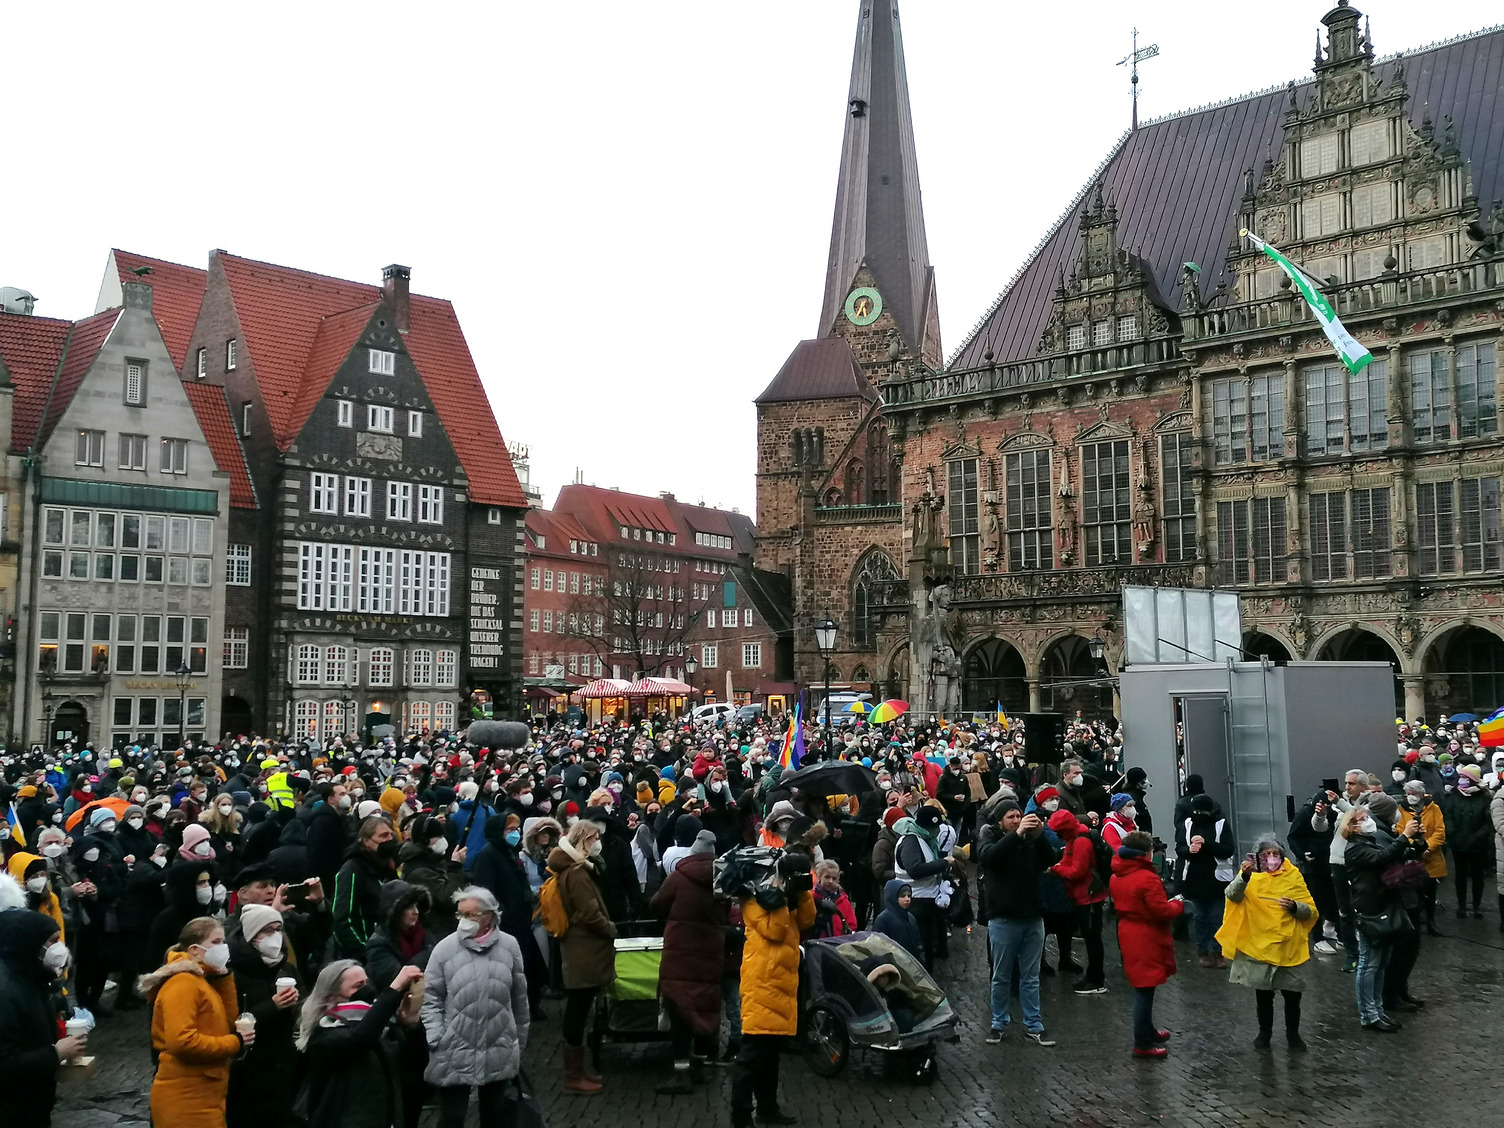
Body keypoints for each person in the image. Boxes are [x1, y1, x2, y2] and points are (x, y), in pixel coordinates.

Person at [421, 887, 531, 1128]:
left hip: (498, 1045)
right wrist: (436, 1036)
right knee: (452, 1117)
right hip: (454, 1047)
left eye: (472, 915)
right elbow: (431, 997)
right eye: (460, 915)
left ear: (490, 916)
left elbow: (519, 997)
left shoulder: (510, 946)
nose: (464, 921)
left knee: (495, 1114)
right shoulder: (444, 949)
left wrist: (519, 1040)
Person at [144, 917, 253, 1128]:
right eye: (216, 942)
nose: (223, 948)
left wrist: (223, 978)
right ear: (194, 950)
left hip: (203, 1092)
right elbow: (182, 1041)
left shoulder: (200, 980)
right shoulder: (184, 983)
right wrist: (235, 1042)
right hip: (187, 1098)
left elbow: (226, 1022)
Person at [731, 852, 814, 1128]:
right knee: (752, 1055)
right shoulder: (752, 900)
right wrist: (779, 903)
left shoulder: (782, 896)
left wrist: (801, 893)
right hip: (763, 983)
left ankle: (767, 1107)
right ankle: (741, 1114)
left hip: (781, 983)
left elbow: (806, 921)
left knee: (770, 1055)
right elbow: (776, 931)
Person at [297, 958, 426, 1128]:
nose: (367, 990)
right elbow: (360, 1038)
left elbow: (414, 1065)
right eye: (358, 986)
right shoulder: (324, 1034)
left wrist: (411, 1026)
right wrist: (394, 990)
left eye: (367, 982)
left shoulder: (382, 1025)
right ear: (332, 996)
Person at [1215, 837, 1316, 1050]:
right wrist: (1243, 877)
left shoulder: (1294, 876)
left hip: (1289, 945)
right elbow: (1232, 896)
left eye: (1275, 854)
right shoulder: (1250, 877)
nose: (1271, 859)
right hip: (1260, 944)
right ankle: (1264, 1034)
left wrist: (1295, 907)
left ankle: (1293, 1035)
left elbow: (1311, 910)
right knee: (1263, 995)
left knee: (1292, 995)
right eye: (1266, 855)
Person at [976, 798, 1057, 1047]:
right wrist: (1017, 835)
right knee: (1001, 975)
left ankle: (1034, 1024)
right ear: (1000, 820)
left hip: (1033, 916)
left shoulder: (1031, 841)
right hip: (1004, 917)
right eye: (1010, 817)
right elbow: (990, 857)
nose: (1016, 820)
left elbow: (1049, 860)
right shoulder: (990, 838)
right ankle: (999, 1022)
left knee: (1031, 977)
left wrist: (1040, 835)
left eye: (1018, 816)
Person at [650, 827, 725, 1094]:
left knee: (679, 1011)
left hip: (680, 953)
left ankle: (679, 1073)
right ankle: (699, 1067)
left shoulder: (679, 877)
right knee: (705, 1007)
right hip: (711, 952)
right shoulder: (722, 879)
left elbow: (656, 904)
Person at [1342, 800, 1427, 1032]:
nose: (1368, 821)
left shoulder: (1369, 842)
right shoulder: (1356, 848)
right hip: (1370, 912)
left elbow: (1402, 854)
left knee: (1378, 965)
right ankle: (1368, 1015)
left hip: (1383, 908)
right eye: (1362, 819)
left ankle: (1377, 1010)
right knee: (1368, 964)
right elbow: (1383, 858)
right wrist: (1404, 836)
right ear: (1353, 826)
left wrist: (1416, 839)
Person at [548, 819, 616, 1094]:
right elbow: (589, 912)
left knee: (580, 1006)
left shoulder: (575, 869)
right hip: (583, 948)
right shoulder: (576, 872)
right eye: (593, 837)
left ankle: (577, 1071)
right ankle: (573, 1075)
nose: (597, 842)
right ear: (582, 840)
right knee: (578, 1008)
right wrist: (609, 928)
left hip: (580, 947)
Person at [0, 910, 81, 1128]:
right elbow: (5, 1063)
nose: (59, 947)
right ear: (30, 944)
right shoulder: (6, 992)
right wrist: (55, 1053)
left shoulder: (32, 978)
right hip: (12, 1111)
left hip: (33, 1104)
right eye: (52, 941)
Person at [226, 903, 303, 1128]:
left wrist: (298, 1003)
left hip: (284, 1065)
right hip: (250, 1071)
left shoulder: (286, 968)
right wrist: (271, 1006)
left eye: (279, 929)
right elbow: (232, 1022)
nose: (276, 936)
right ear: (252, 935)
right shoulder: (235, 974)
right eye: (268, 931)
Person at [1110, 829, 1184, 1059]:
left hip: (1128, 931)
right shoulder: (1147, 878)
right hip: (1145, 935)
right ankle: (1142, 1043)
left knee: (1143, 986)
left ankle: (1148, 1031)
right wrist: (1178, 905)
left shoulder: (1117, 875)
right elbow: (1160, 910)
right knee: (1145, 990)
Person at [1047, 809, 1108, 993]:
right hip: (1087, 895)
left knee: (1092, 939)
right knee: (1092, 938)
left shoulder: (1080, 841)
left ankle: (1096, 980)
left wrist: (1056, 870)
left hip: (1087, 898)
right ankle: (1093, 976)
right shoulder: (1079, 835)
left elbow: (1077, 872)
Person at [1174, 794, 1235, 968]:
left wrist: (1207, 844)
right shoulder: (1187, 824)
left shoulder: (1221, 824)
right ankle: (1203, 951)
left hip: (1217, 880)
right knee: (1200, 918)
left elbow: (1228, 849)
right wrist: (1189, 849)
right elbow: (1179, 848)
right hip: (1194, 879)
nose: (1198, 815)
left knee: (1216, 918)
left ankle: (1218, 952)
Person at [892, 805, 953, 966]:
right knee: (920, 949)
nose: (934, 831)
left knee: (926, 945)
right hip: (915, 902)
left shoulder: (923, 839)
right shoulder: (911, 841)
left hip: (925, 902)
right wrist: (942, 863)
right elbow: (915, 869)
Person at [333, 815, 399, 960]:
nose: (389, 839)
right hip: (365, 955)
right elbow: (342, 920)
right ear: (366, 841)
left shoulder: (388, 866)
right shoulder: (352, 870)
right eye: (383, 835)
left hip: (389, 951)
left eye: (391, 834)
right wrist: (364, 952)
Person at [1400, 780, 1447, 935]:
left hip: (1431, 859)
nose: (1410, 797)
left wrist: (1426, 848)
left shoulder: (1434, 808)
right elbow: (1400, 831)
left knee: (1430, 893)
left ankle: (1431, 922)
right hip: (1411, 859)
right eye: (1408, 794)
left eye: (1413, 794)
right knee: (1413, 893)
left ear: (1421, 794)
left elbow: (1439, 832)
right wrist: (1414, 847)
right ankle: (1415, 923)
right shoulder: (1401, 809)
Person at [1444, 764, 1492, 918]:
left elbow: (1488, 822)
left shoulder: (1485, 798)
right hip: (1458, 843)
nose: (1462, 779)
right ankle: (1462, 906)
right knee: (1460, 875)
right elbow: (1448, 815)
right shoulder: (1454, 795)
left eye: (1466, 777)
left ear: (1473, 780)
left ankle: (1477, 906)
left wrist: (1477, 837)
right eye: (1461, 776)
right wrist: (1453, 833)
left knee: (1478, 875)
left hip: (1478, 844)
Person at [872, 879, 924, 962]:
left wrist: (921, 959)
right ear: (893, 897)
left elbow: (917, 942)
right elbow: (878, 947)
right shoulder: (883, 920)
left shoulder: (911, 918)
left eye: (909, 896)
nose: (907, 899)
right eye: (903, 896)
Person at [809, 860, 858, 939]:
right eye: (827, 877)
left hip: (838, 943)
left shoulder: (843, 901)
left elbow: (851, 925)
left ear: (838, 880)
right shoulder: (811, 898)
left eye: (834, 878)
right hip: (814, 943)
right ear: (819, 876)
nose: (830, 881)